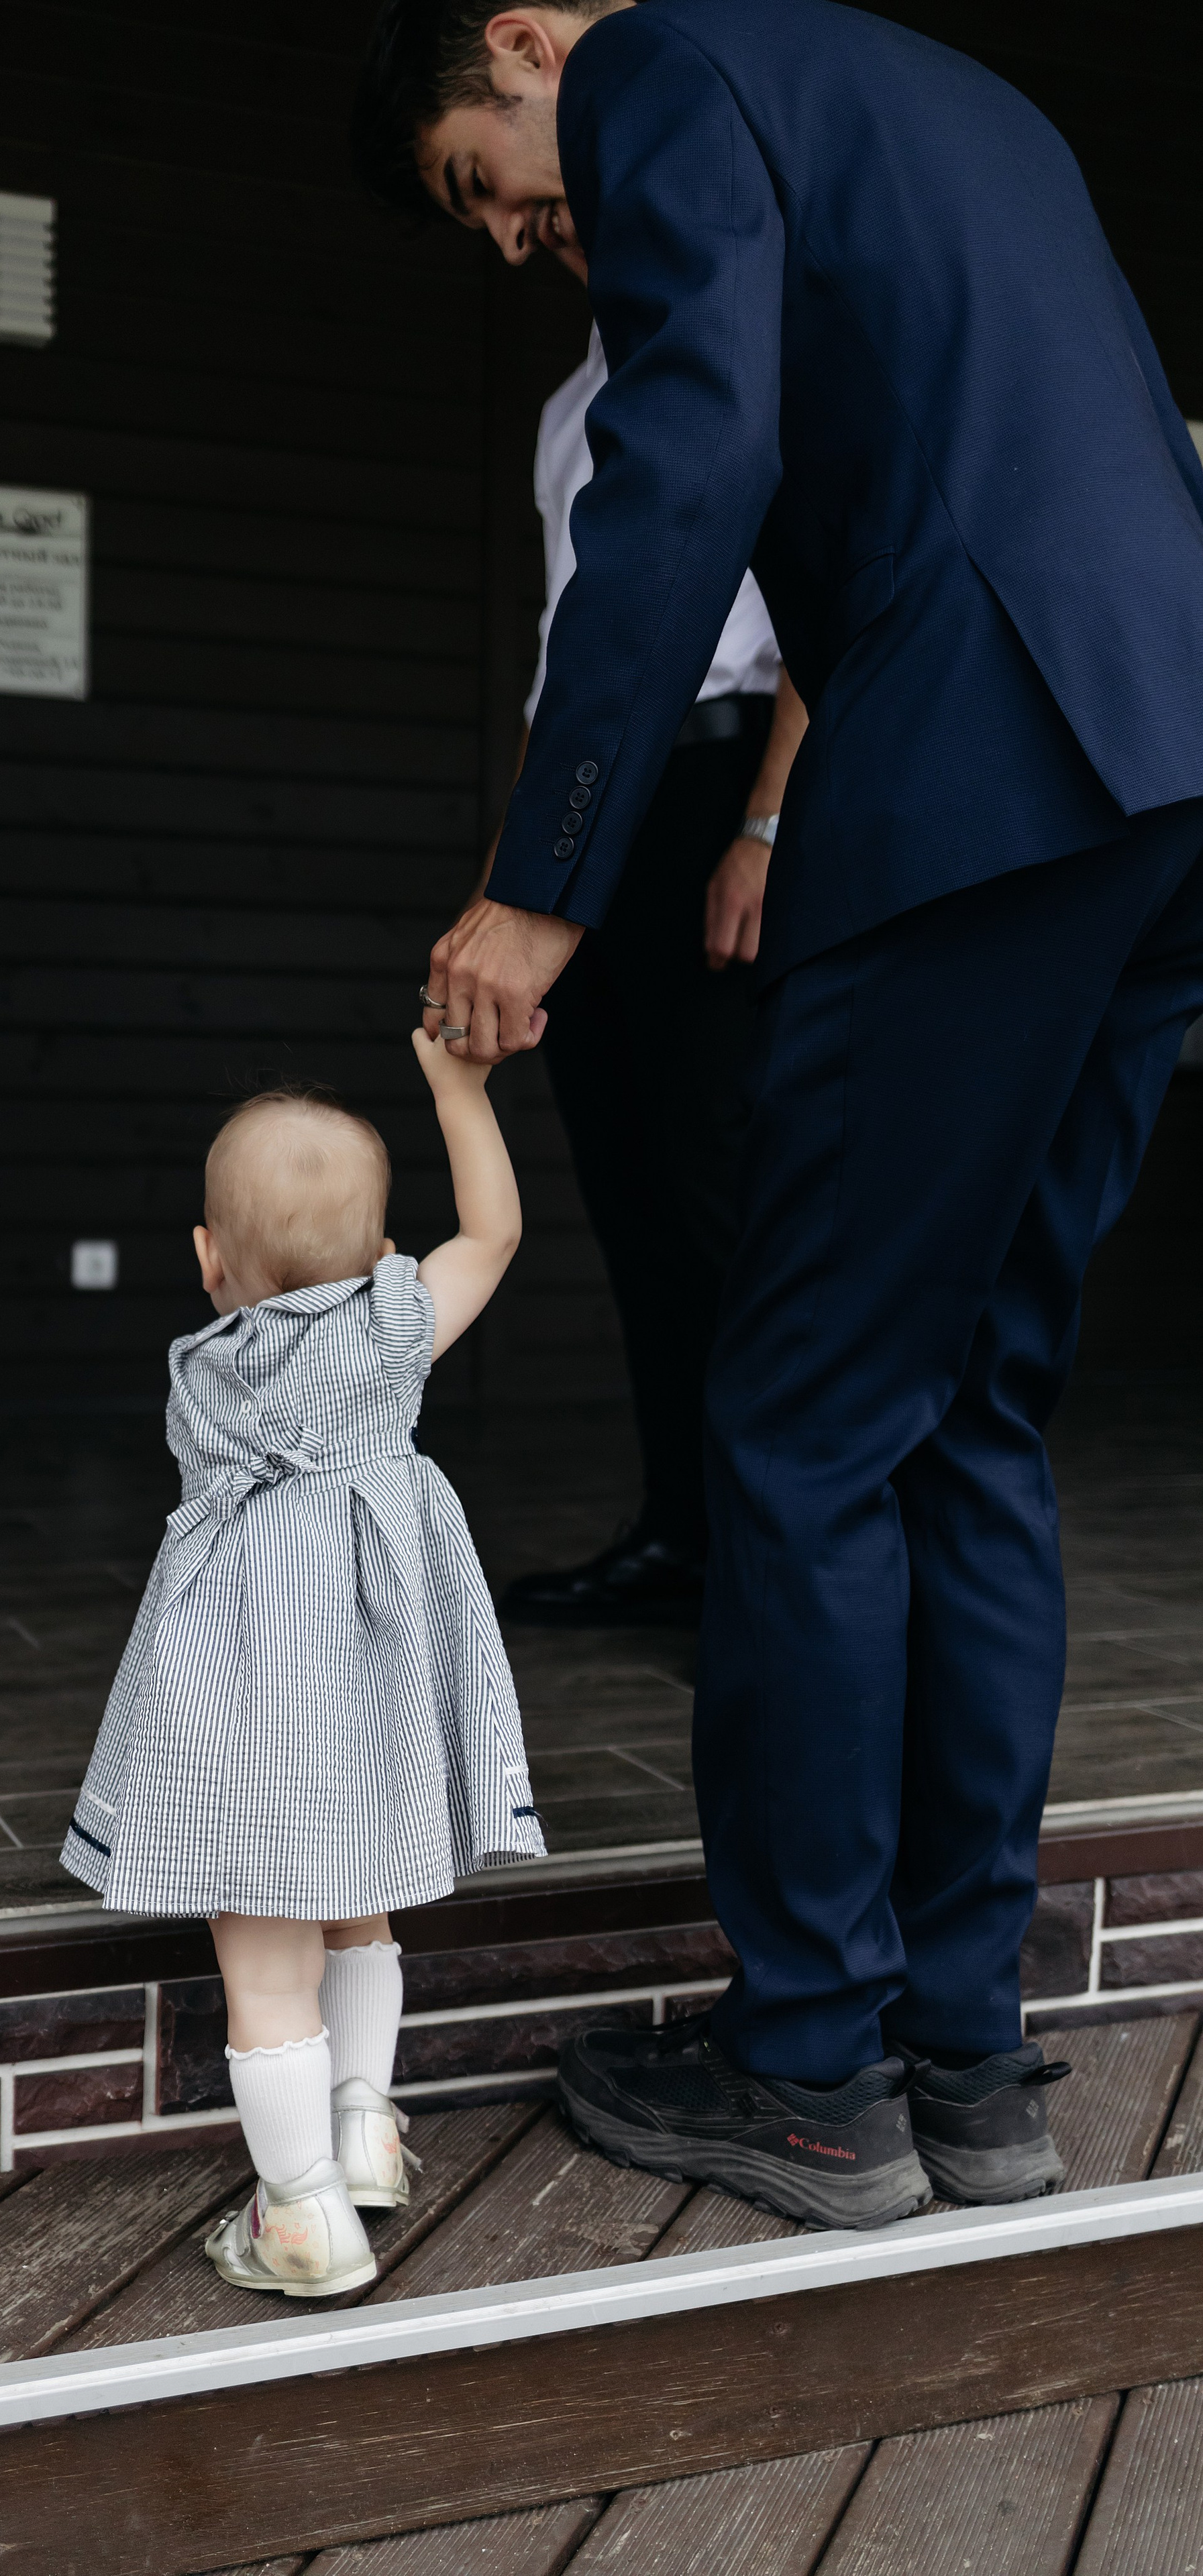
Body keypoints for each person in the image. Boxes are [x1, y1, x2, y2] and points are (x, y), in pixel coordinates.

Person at [352, 0, 1203, 2229]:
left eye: (485, 172)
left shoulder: (668, 74)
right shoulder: (954, 91)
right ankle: (970, 2063)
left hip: (981, 766)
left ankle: (813, 2071)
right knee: (973, 1414)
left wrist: (544, 884)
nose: (530, 232)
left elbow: (690, 450)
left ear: (531, 40)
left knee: (806, 1420)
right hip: (1160, 773)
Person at [61, 1051, 542, 2296]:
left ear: (210, 1259)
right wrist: (460, 1090)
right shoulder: (393, 1334)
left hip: (249, 1700)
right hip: (372, 1690)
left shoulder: (207, 1366)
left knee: (263, 1955)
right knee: (362, 1892)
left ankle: (303, 2211)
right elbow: (495, 1229)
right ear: (383, 1251)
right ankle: (364, 2124)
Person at [499, 317, 808, 1627]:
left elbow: (820, 603)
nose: (517, 241)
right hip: (589, 794)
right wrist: (511, 886)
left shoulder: (736, 346)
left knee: (712, 1189)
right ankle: (676, 1532)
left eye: (500, 190)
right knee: (624, 1189)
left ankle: (768, 1563)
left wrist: (764, 823)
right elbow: (558, 666)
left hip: (715, 779)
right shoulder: (569, 403)